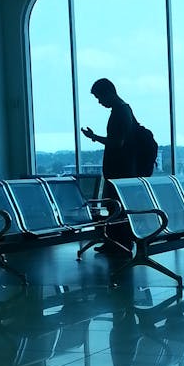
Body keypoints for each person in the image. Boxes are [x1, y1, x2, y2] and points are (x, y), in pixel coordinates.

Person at [81, 77, 137, 255]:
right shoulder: (123, 110)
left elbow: (117, 142)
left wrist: (95, 137)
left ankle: (119, 243)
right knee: (116, 207)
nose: (99, 102)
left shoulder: (119, 112)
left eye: (99, 97)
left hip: (120, 170)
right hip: (123, 169)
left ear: (108, 93)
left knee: (116, 207)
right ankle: (117, 241)